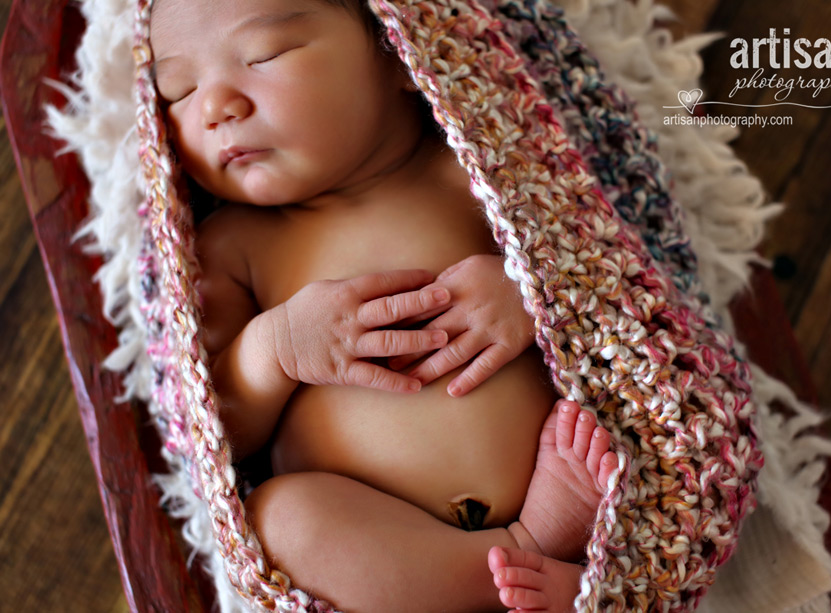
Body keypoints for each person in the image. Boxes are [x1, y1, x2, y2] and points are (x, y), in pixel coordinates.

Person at [150, 0, 619, 609]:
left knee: (622, 437)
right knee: (281, 521)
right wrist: (277, 348)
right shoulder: (232, 247)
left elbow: (605, 271)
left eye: (267, 55)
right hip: (380, 547)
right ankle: (520, 555)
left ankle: (583, 573)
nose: (215, 108)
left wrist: (527, 289)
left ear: (398, 51)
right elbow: (216, 434)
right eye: (178, 91)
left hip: (570, 468)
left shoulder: (471, 171)